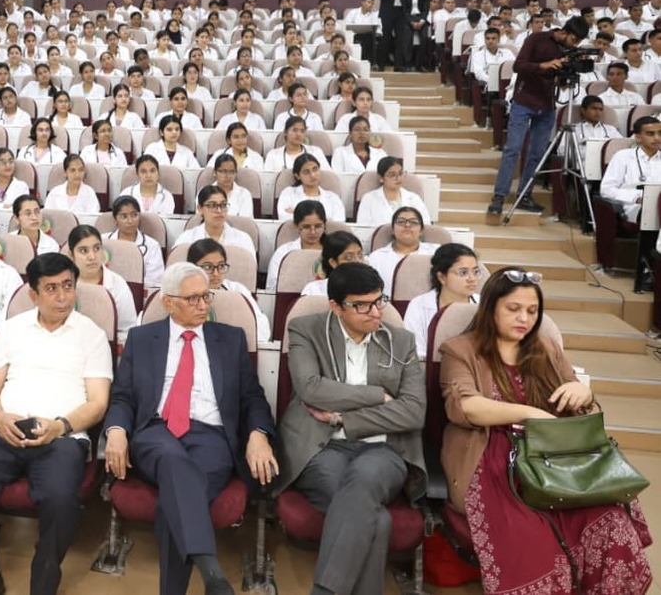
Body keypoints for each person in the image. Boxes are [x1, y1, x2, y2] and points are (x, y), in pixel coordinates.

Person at [440, 269, 653, 594]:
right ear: (490, 308)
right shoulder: (460, 349)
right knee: (532, 537)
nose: (524, 319)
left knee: (610, 520)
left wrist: (582, 391)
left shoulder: (545, 347)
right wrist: (529, 413)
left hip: (555, 457)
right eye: (513, 309)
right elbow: (465, 406)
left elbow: (575, 396)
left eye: (532, 311)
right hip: (494, 460)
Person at [104, 260, 276, 594]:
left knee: (175, 499)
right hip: (156, 431)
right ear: (167, 301)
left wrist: (258, 434)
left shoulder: (230, 339)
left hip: (211, 436)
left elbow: (252, 397)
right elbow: (123, 396)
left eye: (206, 296)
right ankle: (212, 573)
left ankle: (204, 580)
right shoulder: (142, 338)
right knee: (173, 461)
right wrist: (116, 430)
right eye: (192, 298)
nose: (203, 305)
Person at [0, 252, 112, 595]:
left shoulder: (92, 335)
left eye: (68, 286)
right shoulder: (12, 329)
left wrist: (60, 426)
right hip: (4, 429)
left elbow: (98, 403)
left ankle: (43, 582)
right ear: (33, 294)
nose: (63, 296)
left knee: (60, 498)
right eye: (51, 289)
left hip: (62, 436)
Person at [276, 262, 426, 595]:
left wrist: (345, 419)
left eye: (379, 301)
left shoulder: (401, 341)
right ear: (336, 306)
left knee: (364, 479)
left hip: (384, 449)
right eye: (362, 305)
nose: (376, 312)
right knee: (375, 519)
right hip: (322, 446)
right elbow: (311, 389)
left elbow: (413, 412)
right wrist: (378, 396)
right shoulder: (306, 329)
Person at [488, 17, 591, 215]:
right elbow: (518, 66)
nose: (575, 45)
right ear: (564, 32)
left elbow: (560, 81)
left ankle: (524, 195)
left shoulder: (568, 51)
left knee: (537, 153)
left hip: (547, 105)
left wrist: (569, 68)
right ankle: (499, 195)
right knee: (513, 149)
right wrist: (543, 65)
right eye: (574, 40)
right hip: (524, 101)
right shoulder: (537, 39)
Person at [404, 243, 479, 359]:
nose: (472, 279)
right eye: (463, 273)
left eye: (475, 272)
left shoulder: (485, 304)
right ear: (442, 277)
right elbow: (415, 352)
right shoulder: (418, 305)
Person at [185, 239, 268, 342]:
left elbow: (261, 330)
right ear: (192, 268)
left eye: (221, 266)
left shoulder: (237, 291)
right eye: (208, 267)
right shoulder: (181, 293)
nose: (216, 273)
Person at [68, 225, 137, 342]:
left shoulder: (117, 284)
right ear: (71, 255)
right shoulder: (63, 283)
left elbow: (127, 330)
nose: (92, 257)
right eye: (83, 251)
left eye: (97, 248)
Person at [368, 206, 440, 297]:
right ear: (393, 230)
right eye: (401, 222)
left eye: (413, 222)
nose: (407, 225)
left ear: (421, 230)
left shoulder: (436, 253)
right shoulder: (376, 258)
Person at [600, 116, 661, 223]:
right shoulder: (623, 157)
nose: (657, 138)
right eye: (650, 134)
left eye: (660, 133)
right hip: (636, 207)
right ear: (638, 137)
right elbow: (606, 190)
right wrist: (636, 197)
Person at [174, 185, 256, 257]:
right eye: (212, 205)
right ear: (200, 209)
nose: (219, 210)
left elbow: (250, 268)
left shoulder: (243, 240)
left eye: (223, 205)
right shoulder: (186, 239)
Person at [265, 201, 328, 294]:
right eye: (306, 227)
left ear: (325, 225)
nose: (313, 232)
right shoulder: (284, 252)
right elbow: (272, 287)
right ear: (296, 226)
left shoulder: (333, 251)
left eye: (318, 226)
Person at [105, 196, 165, 291]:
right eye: (124, 216)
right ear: (115, 219)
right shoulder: (103, 241)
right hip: (107, 291)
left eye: (134, 215)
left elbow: (155, 281)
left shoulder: (152, 245)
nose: (130, 221)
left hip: (139, 293)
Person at [356, 157, 431, 226]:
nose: (398, 178)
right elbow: (363, 227)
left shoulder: (414, 198)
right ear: (381, 178)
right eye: (392, 175)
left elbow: (426, 224)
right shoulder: (369, 199)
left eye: (400, 173)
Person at [275, 154, 345, 222]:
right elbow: (283, 218)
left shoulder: (333, 198)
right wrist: (325, 219)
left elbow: (338, 223)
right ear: (297, 176)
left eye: (315, 169)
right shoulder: (288, 193)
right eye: (306, 172)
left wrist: (296, 214)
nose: (313, 175)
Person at [299, 231, 365, 298]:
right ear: (333, 262)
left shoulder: (369, 287)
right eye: (349, 258)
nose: (358, 261)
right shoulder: (314, 289)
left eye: (360, 255)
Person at [375, 0, 408, 71]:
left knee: (400, 39)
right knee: (386, 38)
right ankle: (381, 65)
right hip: (387, 12)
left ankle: (398, 65)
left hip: (400, 11)